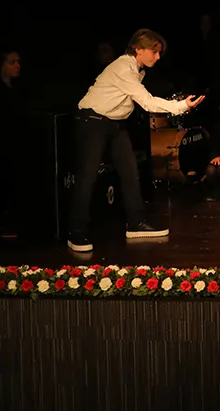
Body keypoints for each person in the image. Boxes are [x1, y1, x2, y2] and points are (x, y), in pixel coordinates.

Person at [68, 29, 204, 253]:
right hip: (93, 121)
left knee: (130, 172)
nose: (157, 57)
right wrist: (181, 106)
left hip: (115, 123)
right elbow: (147, 102)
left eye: (159, 53)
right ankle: (76, 232)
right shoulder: (123, 68)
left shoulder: (136, 69)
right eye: (154, 52)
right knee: (88, 176)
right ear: (138, 50)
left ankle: (135, 223)